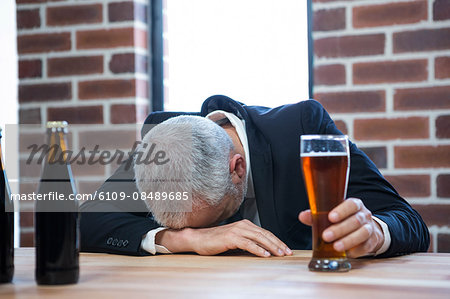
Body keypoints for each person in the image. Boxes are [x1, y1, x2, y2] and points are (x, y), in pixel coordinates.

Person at [80, 95, 430, 258]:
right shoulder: (165, 144)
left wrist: (374, 234)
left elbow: (411, 223)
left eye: (209, 219)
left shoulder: (301, 129)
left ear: (237, 169)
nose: (203, 231)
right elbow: (86, 221)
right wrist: (184, 239)